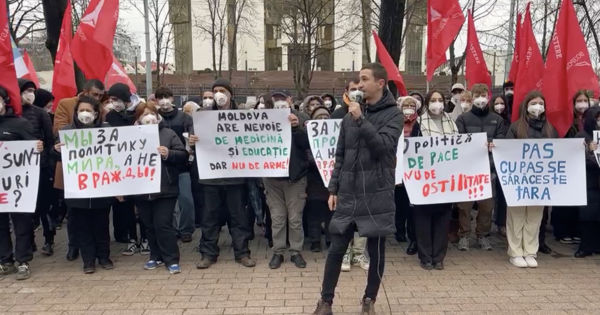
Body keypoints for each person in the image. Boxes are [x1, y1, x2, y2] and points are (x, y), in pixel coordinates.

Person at [313, 63, 402, 314]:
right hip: (349, 193)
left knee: (375, 250)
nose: (360, 85)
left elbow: (383, 147)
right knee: (337, 248)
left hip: (377, 194)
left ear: (380, 83)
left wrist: (360, 119)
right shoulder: (349, 115)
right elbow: (340, 155)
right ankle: (325, 301)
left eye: (364, 79)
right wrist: (333, 189)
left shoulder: (393, 115)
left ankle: (369, 300)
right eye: (358, 81)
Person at [192, 78, 256, 269]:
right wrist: (193, 141)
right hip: (211, 178)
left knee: (238, 217)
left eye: (222, 90)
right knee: (210, 218)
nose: (218, 94)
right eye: (215, 91)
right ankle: (208, 254)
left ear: (230, 94)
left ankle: (242, 253)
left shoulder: (241, 116)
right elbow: (194, 144)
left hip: (235, 178)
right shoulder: (203, 116)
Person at [55, 96, 115, 274]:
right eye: (81, 110)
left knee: (101, 224)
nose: (85, 114)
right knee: (82, 226)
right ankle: (88, 260)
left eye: (89, 110)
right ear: (76, 113)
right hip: (77, 188)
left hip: (100, 186)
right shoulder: (67, 131)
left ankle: (104, 256)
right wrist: (56, 150)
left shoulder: (106, 130)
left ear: (96, 113)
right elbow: (56, 158)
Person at [503, 90, 558, 268]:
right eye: (534, 103)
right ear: (526, 106)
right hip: (519, 181)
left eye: (541, 103)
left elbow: (560, 151)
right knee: (516, 217)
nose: (538, 107)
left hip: (540, 182)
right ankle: (515, 252)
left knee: (534, 218)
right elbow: (506, 151)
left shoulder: (550, 129)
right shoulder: (516, 127)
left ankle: (530, 251)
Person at [132, 102, 188, 274]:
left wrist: (169, 154)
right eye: (144, 115)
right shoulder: (130, 136)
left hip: (165, 188)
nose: (148, 117)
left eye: (151, 114)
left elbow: (183, 155)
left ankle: (171, 258)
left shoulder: (168, 133)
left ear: (157, 116)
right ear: (138, 119)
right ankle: (155, 256)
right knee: (148, 225)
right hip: (142, 189)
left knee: (163, 224)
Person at [455, 83, 507, 251]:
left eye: (483, 95)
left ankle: (482, 235)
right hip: (467, 170)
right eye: (477, 96)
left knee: (487, 207)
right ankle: (464, 235)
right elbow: (459, 142)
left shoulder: (497, 120)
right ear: (472, 98)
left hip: (488, 171)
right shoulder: (463, 119)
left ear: (488, 97)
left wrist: (494, 145)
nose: (480, 99)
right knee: (464, 206)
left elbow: (501, 141)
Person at [0, 85, 43, 280]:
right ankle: (5, 260)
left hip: (17, 185)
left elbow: (32, 150)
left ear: (4, 101)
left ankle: (23, 260)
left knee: (22, 223)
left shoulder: (20, 124)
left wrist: (38, 148)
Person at [264, 90, 310, 269]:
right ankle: (278, 252)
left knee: (295, 218)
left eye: (283, 100)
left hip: (295, 177)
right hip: (272, 178)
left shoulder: (301, 118)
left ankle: (296, 251)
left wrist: (296, 128)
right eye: (276, 101)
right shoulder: (263, 120)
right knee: (277, 217)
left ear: (290, 101)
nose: (280, 103)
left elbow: (308, 144)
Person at [412, 90, 457, 270]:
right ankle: (425, 257)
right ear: (427, 103)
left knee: (442, 218)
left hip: (446, 179)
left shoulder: (452, 123)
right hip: (425, 180)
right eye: (433, 100)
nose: (437, 103)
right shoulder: (419, 123)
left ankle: (438, 257)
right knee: (423, 218)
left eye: (440, 100)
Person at [17, 79, 56, 256]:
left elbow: (49, 141)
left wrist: (44, 159)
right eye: (25, 91)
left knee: (43, 206)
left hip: (40, 168)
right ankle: (30, 241)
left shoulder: (41, 114)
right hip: (17, 170)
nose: (29, 94)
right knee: (25, 209)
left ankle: (49, 239)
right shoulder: (11, 116)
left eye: (32, 90)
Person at [154, 87, 195, 243]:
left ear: (172, 98)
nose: (164, 101)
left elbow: (192, 136)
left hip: (182, 164)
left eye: (167, 97)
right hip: (162, 167)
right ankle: (171, 228)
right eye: (160, 97)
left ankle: (186, 229)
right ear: (156, 100)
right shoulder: (154, 119)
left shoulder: (184, 117)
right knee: (168, 203)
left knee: (186, 200)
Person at [553, 91, 591, 244]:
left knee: (579, 200)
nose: (582, 103)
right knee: (564, 201)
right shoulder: (565, 120)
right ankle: (562, 231)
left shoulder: (592, 118)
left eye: (585, 100)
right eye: (579, 100)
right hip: (567, 164)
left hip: (586, 166)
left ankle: (576, 230)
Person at [305, 106, 333, 252]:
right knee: (314, 213)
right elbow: (307, 155)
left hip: (330, 182)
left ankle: (330, 238)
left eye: (326, 117)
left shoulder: (336, 135)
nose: (323, 120)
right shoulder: (309, 136)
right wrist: (319, 161)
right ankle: (315, 240)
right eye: (319, 118)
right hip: (314, 181)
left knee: (330, 212)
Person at [574, 106, 600, 257]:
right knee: (587, 216)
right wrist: (590, 151)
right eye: (597, 118)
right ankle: (586, 246)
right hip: (588, 183)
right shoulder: (581, 136)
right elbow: (579, 159)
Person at [394, 97, 418, 256]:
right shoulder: (395, 122)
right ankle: (399, 229)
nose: (408, 108)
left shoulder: (420, 123)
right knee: (400, 201)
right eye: (406, 105)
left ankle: (412, 234)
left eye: (411, 105)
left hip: (416, 168)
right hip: (399, 167)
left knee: (413, 204)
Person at [491, 95, 510, 236]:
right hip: (492, 162)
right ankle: (498, 221)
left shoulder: (510, 120)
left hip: (506, 161)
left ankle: (502, 222)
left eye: (502, 103)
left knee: (504, 195)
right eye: (496, 103)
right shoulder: (491, 119)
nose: (499, 106)